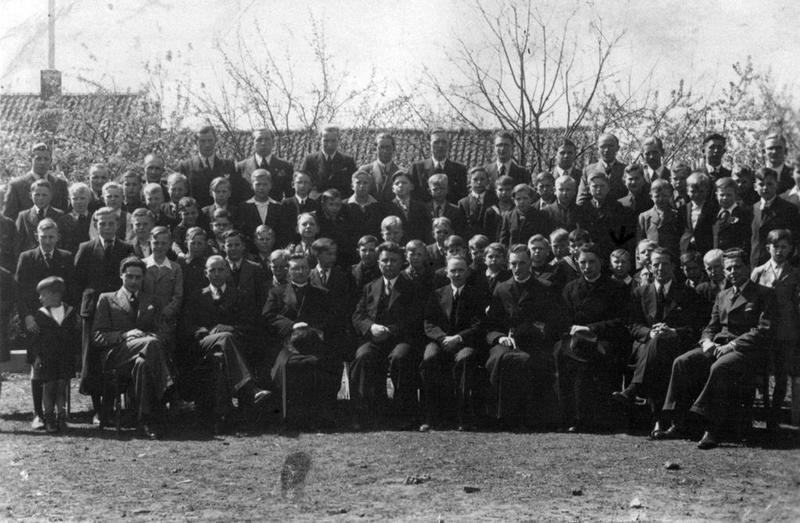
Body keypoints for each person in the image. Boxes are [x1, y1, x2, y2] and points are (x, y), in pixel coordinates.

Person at [657, 248, 774, 449]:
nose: (733, 272)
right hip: (719, 346)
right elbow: (711, 326)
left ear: (747, 267)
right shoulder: (723, 295)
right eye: (729, 269)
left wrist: (732, 345)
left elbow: (762, 329)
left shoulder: (763, 294)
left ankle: (711, 429)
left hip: (746, 351)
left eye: (737, 267)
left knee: (720, 367)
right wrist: (707, 342)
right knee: (683, 362)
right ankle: (678, 422)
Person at [179, 256, 271, 433]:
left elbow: (251, 324)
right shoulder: (196, 296)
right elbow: (186, 325)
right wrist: (205, 331)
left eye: (221, 269)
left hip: (234, 347)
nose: (216, 274)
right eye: (212, 270)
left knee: (220, 357)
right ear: (205, 273)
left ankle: (222, 419)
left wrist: (231, 327)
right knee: (224, 338)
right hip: (204, 344)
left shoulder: (240, 295)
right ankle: (250, 388)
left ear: (228, 271)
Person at [618, 248, 704, 436]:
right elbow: (632, 324)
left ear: (673, 266)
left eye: (665, 264)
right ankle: (662, 419)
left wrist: (673, 332)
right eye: (656, 264)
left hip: (676, 345)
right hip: (643, 345)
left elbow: (695, 326)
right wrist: (649, 333)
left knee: (660, 352)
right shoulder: (639, 293)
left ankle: (639, 395)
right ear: (649, 266)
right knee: (656, 345)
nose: (660, 268)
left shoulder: (687, 293)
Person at [91, 256, 173, 439]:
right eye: (129, 276)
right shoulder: (107, 299)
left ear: (143, 278)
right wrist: (123, 335)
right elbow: (97, 336)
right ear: (121, 275)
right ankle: (168, 388)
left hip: (145, 355)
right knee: (151, 344)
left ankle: (145, 420)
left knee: (143, 364)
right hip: (117, 355)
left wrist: (151, 336)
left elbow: (163, 332)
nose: (134, 281)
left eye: (138, 277)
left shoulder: (152, 300)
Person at [484, 244, 561, 428]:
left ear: (530, 263)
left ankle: (527, 418)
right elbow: (491, 324)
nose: (517, 268)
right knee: (500, 358)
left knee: (525, 360)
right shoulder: (501, 289)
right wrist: (499, 337)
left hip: (535, 342)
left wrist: (536, 329)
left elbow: (554, 321)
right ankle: (499, 417)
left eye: (522, 263)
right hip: (506, 341)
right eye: (513, 264)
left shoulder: (545, 288)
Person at [556, 244, 630, 432]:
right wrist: (574, 330)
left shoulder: (616, 288)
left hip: (603, 338)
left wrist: (591, 329)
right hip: (573, 337)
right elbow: (562, 318)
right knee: (561, 354)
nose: (587, 267)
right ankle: (569, 416)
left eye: (592, 262)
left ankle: (590, 419)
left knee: (590, 358)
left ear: (601, 263)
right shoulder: (570, 288)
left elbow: (622, 321)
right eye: (583, 262)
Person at [350, 241, 423, 429]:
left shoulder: (412, 287)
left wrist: (389, 331)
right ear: (378, 263)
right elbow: (358, 315)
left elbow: (415, 318)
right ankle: (366, 413)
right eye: (384, 260)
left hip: (400, 339)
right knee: (363, 356)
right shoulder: (370, 287)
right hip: (374, 338)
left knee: (401, 357)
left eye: (393, 260)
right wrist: (371, 327)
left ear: (402, 262)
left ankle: (403, 414)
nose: (388, 264)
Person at [15, 219, 75, 430]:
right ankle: (38, 414)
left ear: (57, 237)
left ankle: (60, 413)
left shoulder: (66, 257)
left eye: (51, 237)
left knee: (59, 367)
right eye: (43, 237)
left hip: (59, 320)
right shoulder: (27, 257)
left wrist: (67, 313)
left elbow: (72, 289)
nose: (47, 241)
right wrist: (27, 316)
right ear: (36, 236)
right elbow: (20, 291)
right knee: (38, 364)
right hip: (36, 320)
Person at [264, 253, 338, 422]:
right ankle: (292, 417)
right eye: (295, 268)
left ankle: (320, 416)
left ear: (310, 270)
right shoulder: (276, 292)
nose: (300, 271)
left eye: (304, 267)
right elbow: (268, 316)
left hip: (314, 341)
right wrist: (292, 326)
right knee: (287, 365)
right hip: (286, 344)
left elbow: (330, 317)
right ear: (288, 271)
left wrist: (309, 327)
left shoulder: (322, 293)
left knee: (323, 363)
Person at [74, 207, 135, 411]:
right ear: (95, 225)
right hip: (92, 309)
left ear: (118, 225)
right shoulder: (86, 248)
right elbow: (77, 282)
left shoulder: (126, 248)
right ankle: (98, 409)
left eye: (111, 224)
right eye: (102, 224)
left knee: (114, 355)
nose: (107, 228)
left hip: (117, 309)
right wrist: (79, 309)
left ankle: (113, 405)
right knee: (92, 357)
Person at [420, 255, 486, 431]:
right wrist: (443, 338)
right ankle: (431, 417)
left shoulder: (476, 295)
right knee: (430, 358)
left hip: (465, 342)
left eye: (461, 270)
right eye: (453, 270)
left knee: (466, 359)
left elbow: (479, 325)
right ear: (446, 272)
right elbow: (429, 323)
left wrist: (458, 338)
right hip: (440, 341)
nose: (457, 274)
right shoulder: (437, 294)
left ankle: (463, 417)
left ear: (467, 272)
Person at [750, 229, 800, 431]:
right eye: (775, 247)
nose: (779, 251)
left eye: (784, 247)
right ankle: (763, 410)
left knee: (781, 374)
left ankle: (775, 417)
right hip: (764, 329)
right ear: (767, 248)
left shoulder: (795, 273)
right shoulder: (758, 272)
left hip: (786, 331)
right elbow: (752, 301)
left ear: (790, 249)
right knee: (761, 372)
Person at [28, 276, 80, 434]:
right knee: (48, 388)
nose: (40, 298)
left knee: (61, 388)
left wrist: (76, 355)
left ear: (56, 295)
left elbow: (75, 336)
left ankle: (61, 417)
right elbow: (35, 339)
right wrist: (36, 357)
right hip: (48, 358)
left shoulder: (70, 312)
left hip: (65, 358)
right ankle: (49, 418)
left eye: (43, 294)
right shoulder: (41, 314)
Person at [575, 172, 636, 262]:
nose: (599, 190)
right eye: (595, 186)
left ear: (608, 187)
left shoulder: (618, 208)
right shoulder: (583, 209)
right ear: (588, 189)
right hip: (590, 254)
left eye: (602, 186)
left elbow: (621, 236)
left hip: (612, 254)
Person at [142, 226, 183, 356]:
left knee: (166, 351)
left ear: (170, 244)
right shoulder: (142, 265)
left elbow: (178, 295)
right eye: (156, 243)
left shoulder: (175, 268)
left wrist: (168, 311)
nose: (159, 247)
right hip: (144, 318)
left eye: (164, 243)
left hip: (167, 320)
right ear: (150, 242)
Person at [176, 125, 237, 208]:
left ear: (215, 141)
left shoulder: (228, 165)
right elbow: (182, 195)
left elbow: (234, 194)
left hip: (222, 213)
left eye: (210, 140)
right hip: (196, 213)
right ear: (196, 142)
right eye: (202, 141)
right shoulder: (186, 166)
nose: (207, 145)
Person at [750, 167, 800, 269]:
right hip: (755, 264)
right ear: (755, 187)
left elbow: (794, 239)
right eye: (761, 184)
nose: (765, 188)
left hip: (780, 264)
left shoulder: (789, 209)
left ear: (776, 185)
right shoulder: (752, 209)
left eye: (769, 184)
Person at [3, 142, 69, 219]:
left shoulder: (60, 184)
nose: (42, 162)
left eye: (46, 159)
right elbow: (8, 218)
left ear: (51, 161)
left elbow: (65, 216)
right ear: (31, 159)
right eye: (38, 159)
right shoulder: (16, 186)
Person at [236, 129, 294, 202]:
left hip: (276, 208)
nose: (263, 143)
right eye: (259, 140)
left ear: (273, 142)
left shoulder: (285, 166)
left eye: (267, 139)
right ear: (252, 143)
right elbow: (236, 196)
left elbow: (290, 196)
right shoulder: (241, 167)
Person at [409, 129, 468, 203]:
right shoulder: (417, 168)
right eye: (436, 142)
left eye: (444, 142)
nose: (440, 145)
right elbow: (412, 197)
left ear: (448, 145)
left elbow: (462, 199)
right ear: (430, 145)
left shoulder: (459, 169)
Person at [299, 125, 357, 197]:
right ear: (320, 140)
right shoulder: (310, 160)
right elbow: (301, 184)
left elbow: (353, 186)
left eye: (333, 141)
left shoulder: (348, 161)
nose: (330, 144)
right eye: (326, 141)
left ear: (338, 141)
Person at [15, 179, 64, 254]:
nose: (41, 198)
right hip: (30, 258)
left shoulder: (59, 215)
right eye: (37, 195)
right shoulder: (23, 216)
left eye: (44, 195)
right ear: (30, 196)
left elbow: (62, 242)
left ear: (51, 196)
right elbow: (17, 243)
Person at [577, 133, 627, 205]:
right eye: (602, 146)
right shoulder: (588, 171)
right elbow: (581, 200)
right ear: (598, 149)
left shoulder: (625, 170)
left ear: (617, 148)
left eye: (610, 146)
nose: (606, 150)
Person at [383, 171, 431, 243]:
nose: (400, 185)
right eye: (397, 183)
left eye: (404, 183)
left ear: (411, 186)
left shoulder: (421, 207)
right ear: (392, 188)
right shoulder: (386, 208)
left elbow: (426, 231)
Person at [239, 169, 283, 247]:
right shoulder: (244, 207)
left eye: (265, 184)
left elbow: (281, 232)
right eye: (258, 184)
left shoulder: (279, 207)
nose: (261, 188)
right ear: (251, 186)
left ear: (270, 185)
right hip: (251, 250)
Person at [638, 179, 682, 257]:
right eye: (657, 196)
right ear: (651, 196)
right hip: (651, 259)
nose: (661, 199)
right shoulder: (644, 217)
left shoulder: (676, 215)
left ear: (670, 195)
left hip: (670, 259)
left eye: (665, 196)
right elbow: (639, 243)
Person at [678, 171, 718, 254]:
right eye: (693, 191)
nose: (697, 195)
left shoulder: (712, 209)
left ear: (707, 191)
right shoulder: (683, 209)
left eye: (701, 191)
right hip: (687, 250)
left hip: (706, 249)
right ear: (687, 191)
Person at [358, 132, 402, 202]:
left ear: (394, 149)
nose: (385, 151)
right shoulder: (365, 170)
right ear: (375, 149)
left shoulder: (401, 172)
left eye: (388, 147)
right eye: (381, 147)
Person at [712, 177, 752, 253]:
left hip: (734, 255)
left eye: (729, 195)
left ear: (736, 195)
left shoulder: (743, 213)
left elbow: (746, 238)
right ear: (716, 195)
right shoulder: (713, 213)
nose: (725, 198)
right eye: (721, 195)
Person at [345, 171, 384, 246]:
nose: (362, 186)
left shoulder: (379, 206)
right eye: (358, 182)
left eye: (365, 183)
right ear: (352, 186)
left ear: (370, 186)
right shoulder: (344, 206)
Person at [280, 172, 320, 244]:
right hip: (290, 243)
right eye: (299, 182)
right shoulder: (286, 204)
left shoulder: (315, 204)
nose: (303, 185)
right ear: (293, 184)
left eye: (306, 183)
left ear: (310, 185)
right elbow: (283, 227)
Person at [458, 167, 497, 239]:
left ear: (487, 181)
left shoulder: (494, 200)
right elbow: (461, 227)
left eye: (482, 179)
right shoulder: (463, 202)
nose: (479, 182)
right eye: (475, 179)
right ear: (469, 181)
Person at [57, 182, 92, 254]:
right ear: (70, 200)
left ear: (89, 199)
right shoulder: (63, 220)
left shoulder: (94, 218)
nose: (79, 202)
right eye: (75, 199)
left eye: (82, 198)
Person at [483, 175, 516, 242]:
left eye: (507, 189)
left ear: (512, 191)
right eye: (500, 190)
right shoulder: (491, 211)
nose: (504, 192)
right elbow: (487, 232)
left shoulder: (516, 209)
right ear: (496, 191)